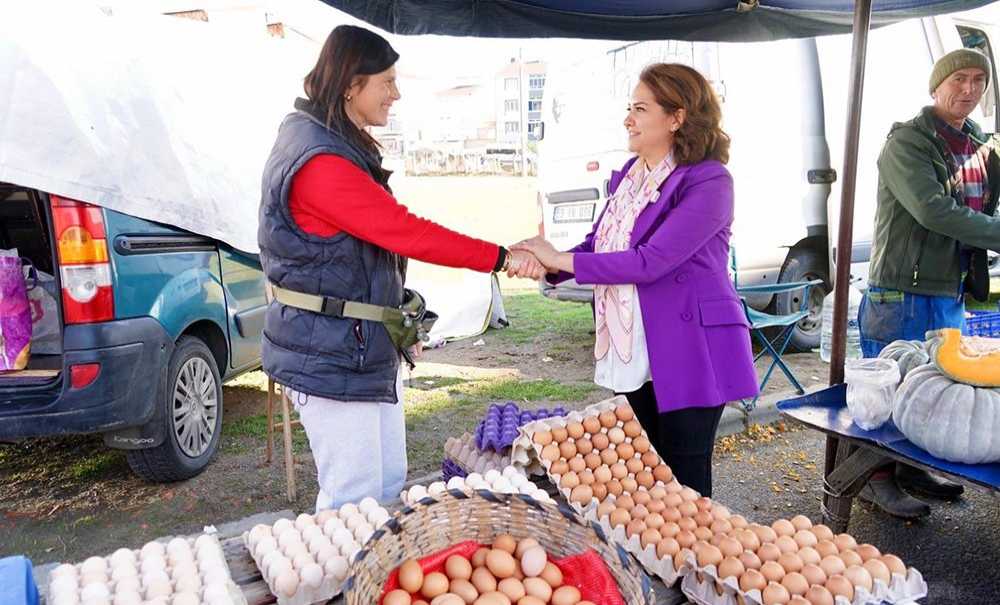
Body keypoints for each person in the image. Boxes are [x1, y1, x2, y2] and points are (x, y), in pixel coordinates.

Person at [257, 25, 543, 511]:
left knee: (387, 483)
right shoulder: (320, 160)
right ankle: (348, 563)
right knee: (353, 499)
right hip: (330, 350)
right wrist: (501, 257)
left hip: (356, 345)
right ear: (352, 83)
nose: (396, 93)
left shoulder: (330, 140)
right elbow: (404, 231)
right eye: (386, 81)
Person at [514, 63, 759, 497]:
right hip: (636, 348)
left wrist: (560, 259)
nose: (628, 119)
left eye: (640, 109)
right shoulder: (632, 176)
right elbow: (598, 245)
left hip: (691, 349)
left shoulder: (709, 180)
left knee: (684, 482)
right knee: (643, 472)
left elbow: (651, 261)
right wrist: (548, 261)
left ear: (677, 117)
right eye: (630, 108)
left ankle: (690, 545)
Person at [858, 48, 1000, 518]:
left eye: (978, 79)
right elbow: (933, 210)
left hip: (948, 287)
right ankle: (872, 479)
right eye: (959, 78)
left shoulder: (979, 145)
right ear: (936, 86)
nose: (969, 89)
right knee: (887, 385)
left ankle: (911, 468)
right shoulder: (908, 143)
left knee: (935, 383)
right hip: (902, 289)